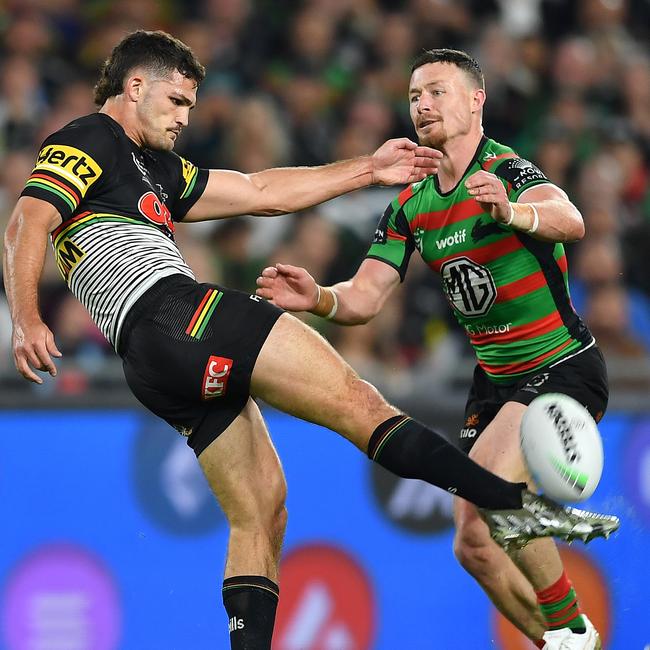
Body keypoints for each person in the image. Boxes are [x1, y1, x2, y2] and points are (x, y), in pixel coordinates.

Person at [3, 33, 617, 650]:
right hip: (180, 312)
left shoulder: (156, 167)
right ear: (135, 87)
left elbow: (262, 192)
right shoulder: (87, 139)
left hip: (148, 362)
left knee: (261, 509)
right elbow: (27, 218)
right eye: (178, 101)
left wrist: (366, 173)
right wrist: (26, 318)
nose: (186, 117)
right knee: (362, 406)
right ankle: (516, 505)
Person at [257, 49, 613, 650]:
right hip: (495, 384)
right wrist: (317, 296)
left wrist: (515, 212)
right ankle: (560, 642)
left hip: (561, 364)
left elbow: (570, 219)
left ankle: (573, 626)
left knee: (496, 487)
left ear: (476, 101)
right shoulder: (411, 204)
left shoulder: (506, 170)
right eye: (415, 95)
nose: (422, 104)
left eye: (438, 92)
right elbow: (366, 297)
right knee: (472, 544)